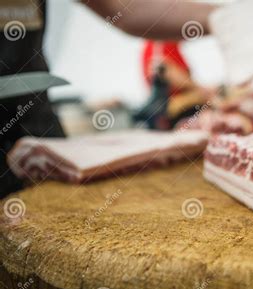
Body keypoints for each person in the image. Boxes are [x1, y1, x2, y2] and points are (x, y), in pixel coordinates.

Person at [0, 0, 216, 198]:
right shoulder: (161, 49)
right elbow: (160, 69)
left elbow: (127, 8)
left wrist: (223, 17)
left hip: (39, 132)